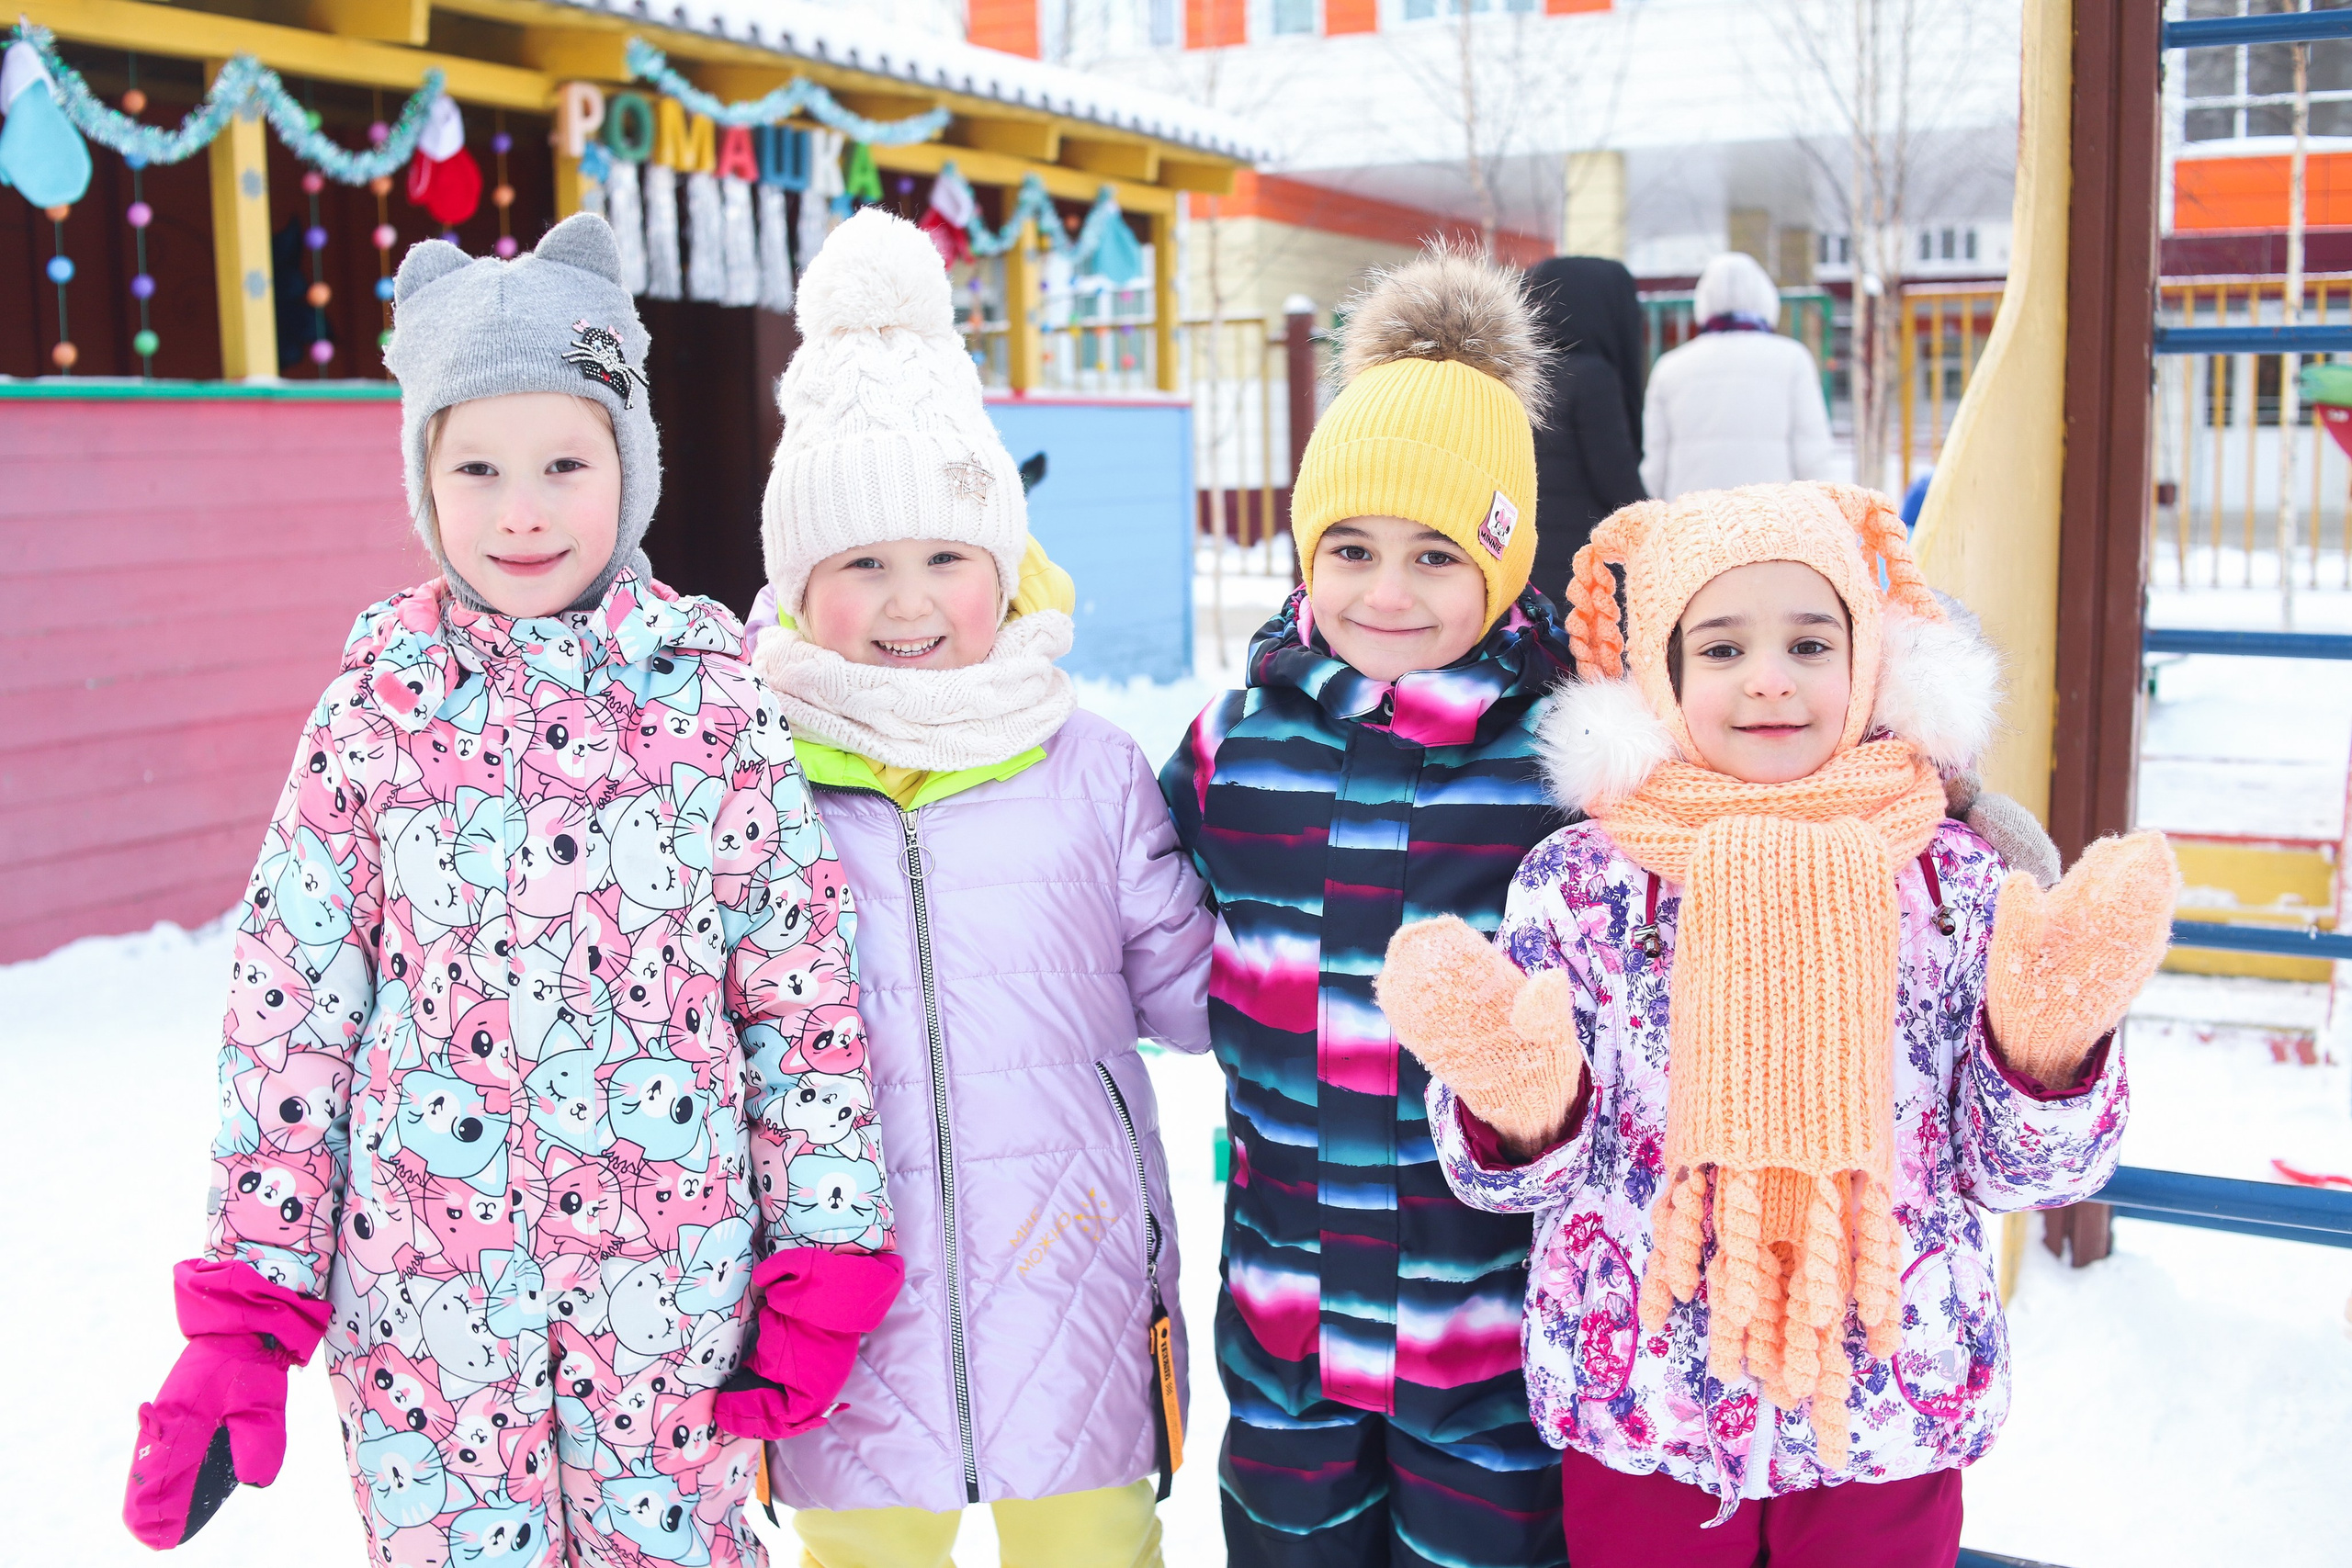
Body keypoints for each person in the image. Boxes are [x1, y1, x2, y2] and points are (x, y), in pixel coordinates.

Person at [121, 214, 900, 1563]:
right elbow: (288, 1014)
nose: (521, 508)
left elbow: (800, 995)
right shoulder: (375, 710)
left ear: (631, 464)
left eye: (564, 462)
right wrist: (247, 1305)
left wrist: (827, 1254)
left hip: (672, 1298)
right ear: (423, 480)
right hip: (421, 1312)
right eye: (475, 466)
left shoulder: (712, 703)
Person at [1379, 481, 2177, 1565]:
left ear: (1870, 663)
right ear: (1661, 675)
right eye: (1720, 648)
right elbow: (1510, 1186)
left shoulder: (1950, 883)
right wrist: (1522, 1106)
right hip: (1646, 1398)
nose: (1768, 678)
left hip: (1884, 1404)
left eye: (1809, 643)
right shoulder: (1582, 885)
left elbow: (2024, 1178)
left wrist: (2047, 1057)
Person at [746, 208, 1216, 1568]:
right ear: (800, 584)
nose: (910, 602)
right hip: (845, 1303)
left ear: (1003, 569)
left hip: (1071, 1281)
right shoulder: (747, 779)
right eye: (863, 564)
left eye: (945, 557)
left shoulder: (1090, 768)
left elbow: (1197, 1002)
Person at [1159, 245, 1576, 1568]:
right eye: (1351, 549)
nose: (1385, 594)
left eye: (1435, 556)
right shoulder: (1236, 744)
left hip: (1488, 1322)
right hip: (1286, 1306)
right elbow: (1122, 893)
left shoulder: (1558, 765)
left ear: (1501, 570)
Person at [1641, 253, 1835, 501]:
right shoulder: (1793, 360)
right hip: (1770, 516)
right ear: (1765, 298)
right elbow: (1813, 458)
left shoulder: (1668, 368)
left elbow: (1654, 470)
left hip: (1692, 517)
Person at [1522, 255, 1648, 604]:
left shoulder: (1520, 374)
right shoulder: (1592, 377)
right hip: (1581, 572)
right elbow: (1617, 483)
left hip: (1523, 565)